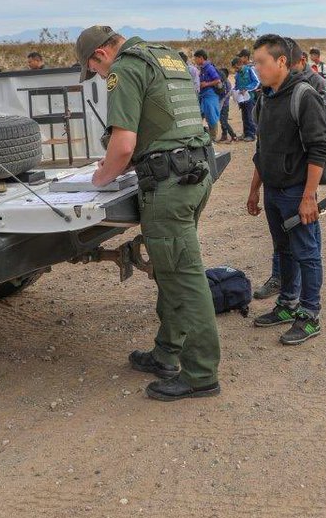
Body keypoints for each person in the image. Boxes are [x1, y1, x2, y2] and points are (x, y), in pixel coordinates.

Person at [75, 25, 220, 401]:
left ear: (100, 55)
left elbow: (123, 145)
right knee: (171, 270)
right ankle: (166, 352)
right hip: (196, 172)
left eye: (95, 70)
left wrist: (100, 176)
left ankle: (201, 374)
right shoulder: (164, 55)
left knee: (183, 277)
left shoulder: (124, 69)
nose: (100, 76)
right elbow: (163, 124)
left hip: (170, 186)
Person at [246, 34, 326, 345]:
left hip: (297, 192)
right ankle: (287, 304)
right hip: (273, 192)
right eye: (255, 63)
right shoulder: (264, 99)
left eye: (262, 63)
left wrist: (309, 197)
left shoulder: (303, 96)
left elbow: (319, 149)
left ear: (281, 61)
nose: (257, 69)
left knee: (306, 253)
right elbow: (261, 148)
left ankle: (310, 315)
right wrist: (255, 190)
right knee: (284, 251)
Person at [193, 49, 224, 142]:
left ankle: (213, 138)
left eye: (196, 59)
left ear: (201, 58)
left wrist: (206, 84)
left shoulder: (209, 68)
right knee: (200, 114)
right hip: (203, 95)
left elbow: (217, 80)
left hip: (210, 95)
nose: (195, 61)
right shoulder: (202, 68)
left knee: (211, 116)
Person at [233, 49, 260, 141]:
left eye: (240, 56)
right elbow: (237, 84)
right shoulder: (238, 73)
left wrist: (247, 89)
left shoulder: (251, 69)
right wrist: (235, 91)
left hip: (250, 97)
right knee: (244, 116)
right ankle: (246, 133)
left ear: (245, 58)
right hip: (241, 98)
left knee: (250, 116)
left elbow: (257, 82)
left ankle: (251, 134)